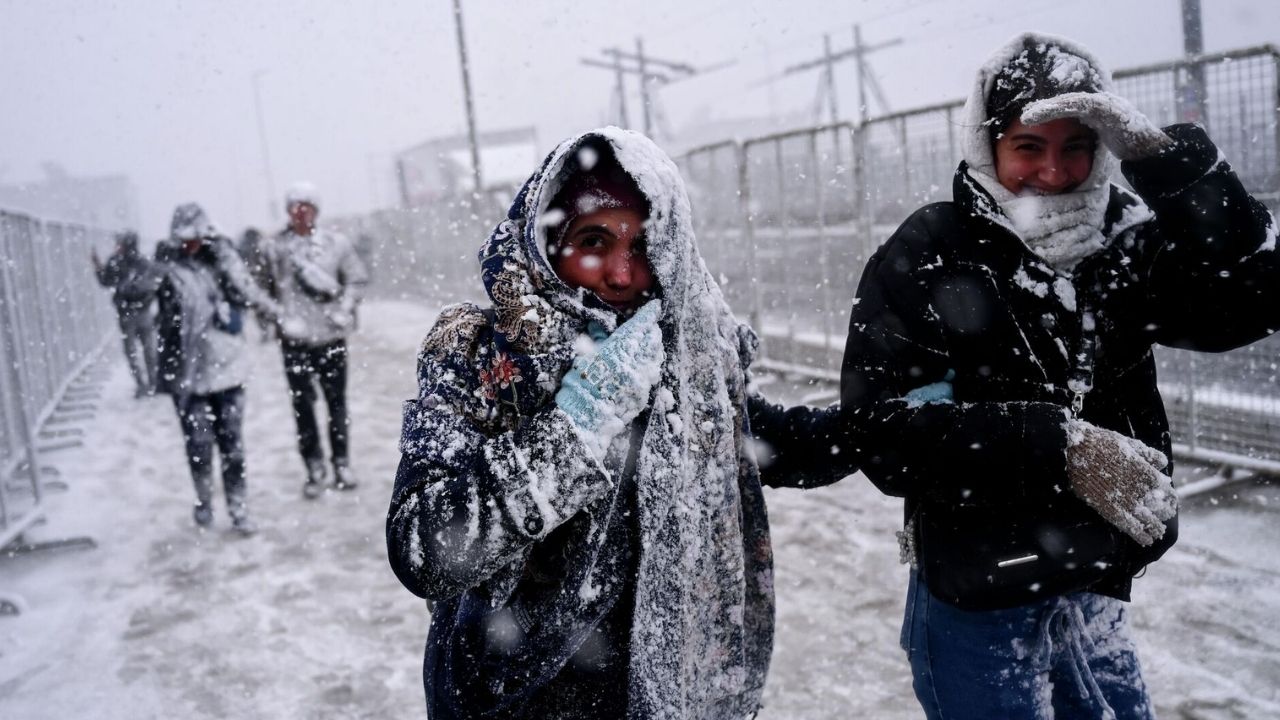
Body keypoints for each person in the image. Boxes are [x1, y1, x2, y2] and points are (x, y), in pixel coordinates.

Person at [839, 32, 1280, 719]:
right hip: (977, 596)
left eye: (1077, 146)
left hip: (1095, 579)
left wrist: (1171, 166)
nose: (1053, 171)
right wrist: (1058, 447)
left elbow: (1251, 299)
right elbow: (882, 431)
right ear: (988, 145)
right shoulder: (931, 249)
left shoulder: (1122, 236)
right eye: (1028, 146)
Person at [386, 128, 856, 719]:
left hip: (659, 692)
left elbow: (762, 441)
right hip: (512, 696)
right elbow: (425, 549)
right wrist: (577, 427)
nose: (621, 274)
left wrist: (885, 422)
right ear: (546, 242)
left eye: (644, 245)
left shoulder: (680, 354)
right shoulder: (475, 354)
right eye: (593, 241)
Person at [155, 203, 281, 534]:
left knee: (232, 447)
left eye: (196, 237)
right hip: (189, 374)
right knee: (198, 445)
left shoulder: (222, 263)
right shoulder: (167, 269)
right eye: (184, 238)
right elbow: (147, 295)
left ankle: (238, 508)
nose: (191, 244)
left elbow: (248, 291)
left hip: (228, 369)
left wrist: (225, 255)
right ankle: (204, 500)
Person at [266, 183, 369, 498]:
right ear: (287, 211)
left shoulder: (336, 244)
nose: (301, 212)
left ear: (316, 210)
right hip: (294, 342)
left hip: (330, 338)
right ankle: (313, 467)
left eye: (307, 206)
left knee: (336, 404)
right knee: (303, 407)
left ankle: (341, 463)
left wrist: (344, 309)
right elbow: (262, 289)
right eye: (295, 206)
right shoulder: (275, 248)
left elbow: (356, 279)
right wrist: (279, 318)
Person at [92, 230, 161, 397]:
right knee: (149, 350)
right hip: (142, 312)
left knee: (132, 352)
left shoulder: (117, 262)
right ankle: (152, 383)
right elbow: (153, 284)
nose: (117, 246)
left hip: (127, 314)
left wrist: (98, 266)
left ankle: (143, 384)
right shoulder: (143, 263)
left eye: (120, 243)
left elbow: (105, 281)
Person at [237, 226, 277, 342]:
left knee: (260, 310)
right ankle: (266, 331)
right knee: (261, 309)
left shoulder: (249, 250)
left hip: (257, 285)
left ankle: (265, 331)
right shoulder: (260, 250)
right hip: (259, 285)